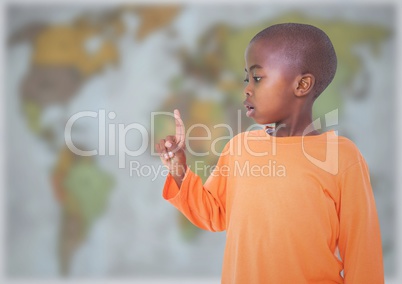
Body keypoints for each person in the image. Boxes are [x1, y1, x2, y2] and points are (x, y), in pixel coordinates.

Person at [155, 23, 384, 283]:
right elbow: (213, 213)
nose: (247, 88)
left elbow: (363, 256)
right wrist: (178, 170)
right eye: (247, 79)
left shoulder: (342, 157)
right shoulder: (240, 148)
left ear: (302, 85)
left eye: (258, 78)